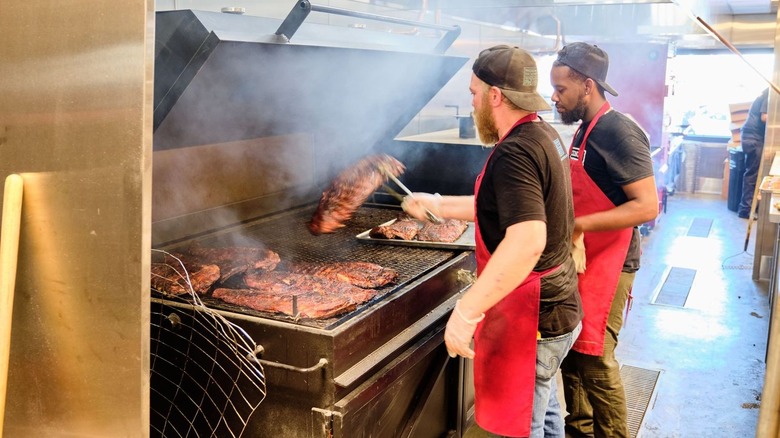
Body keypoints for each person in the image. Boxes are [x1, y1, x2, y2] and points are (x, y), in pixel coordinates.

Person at [402, 45, 583, 438]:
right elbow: (501, 206)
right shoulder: (541, 133)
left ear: (495, 96)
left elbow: (527, 240)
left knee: (522, 426)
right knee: (545, 408)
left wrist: (466, 312)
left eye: (473, 93)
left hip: (535, 313)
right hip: (558, 306)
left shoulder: (515, 152)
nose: (472, 103)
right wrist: (436, 204)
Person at [549, 42, 659, 438]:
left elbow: (647, 207)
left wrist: (578, 225)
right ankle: (579, 430)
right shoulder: (585, 131)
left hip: (611, 263)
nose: (554, 97)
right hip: (583, 258)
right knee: (573, 355)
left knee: (595, 357)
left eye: (561, 89)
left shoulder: (619, 132)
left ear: (588, 86)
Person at [737, 88, 769, 219]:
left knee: (752, 173)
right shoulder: (770, 94)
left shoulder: (767, 93)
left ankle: (748, 208)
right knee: (753, 174)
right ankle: (746, 210)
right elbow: (765, 117)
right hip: (754, 138)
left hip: (751, 136)